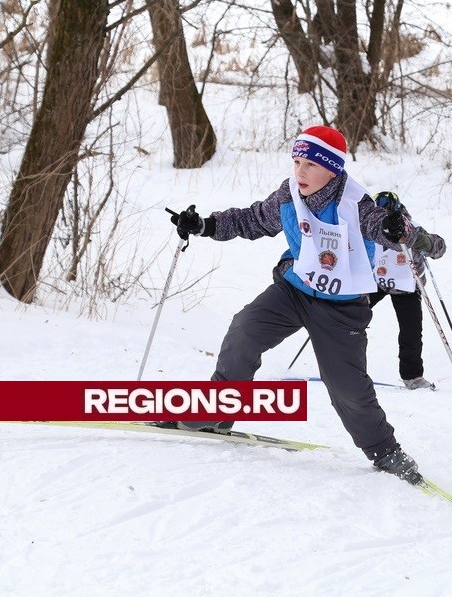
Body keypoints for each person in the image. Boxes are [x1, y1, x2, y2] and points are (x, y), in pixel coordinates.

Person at [167, 125, 436, 483]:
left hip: (341, 307)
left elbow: (382, 228)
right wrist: (205, 225)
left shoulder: (357, 204)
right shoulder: (289, 194)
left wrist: (394, 228)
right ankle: (217, 412)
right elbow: (252, 219)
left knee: (346, 385)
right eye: (296, 162)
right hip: (293, 290)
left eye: (310, 164)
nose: (300, 172)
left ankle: (385, 451)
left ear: (333, 169)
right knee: (244, 329)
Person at [369, 191, 447, 390]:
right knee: (350, 315)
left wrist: (423, 242)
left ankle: (413, 376)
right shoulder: (370, 226)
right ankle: (342, 367)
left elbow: (439, 248)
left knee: (411, 331)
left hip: (407, 286)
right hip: (376, 281)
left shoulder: (411, 228)